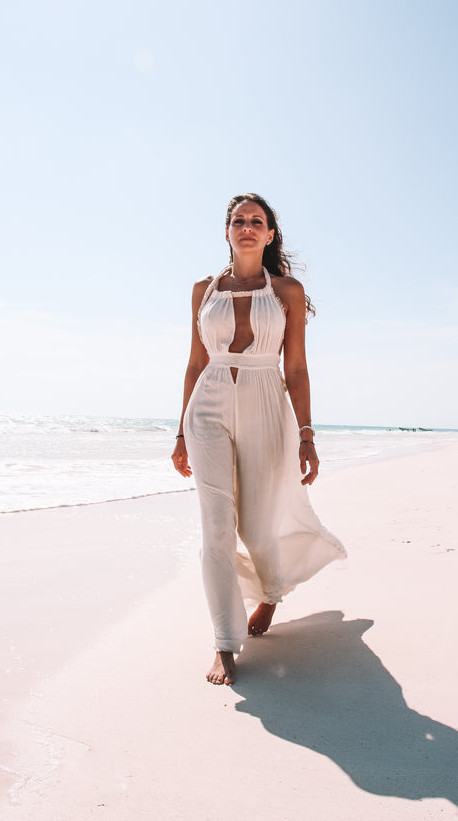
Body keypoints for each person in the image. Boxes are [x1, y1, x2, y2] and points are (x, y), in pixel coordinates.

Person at [171, 193, 346, 686]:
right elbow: (194, 363)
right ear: (227, 231)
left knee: (257, 527)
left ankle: (271, 591)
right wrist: (182, 428)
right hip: (208, 406)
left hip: (268, 403)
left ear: (269, 235)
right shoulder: (203, 290)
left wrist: (307, 435)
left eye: (257, 221)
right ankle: (225, 643)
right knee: (216, 529)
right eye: (238, 220)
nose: (247, 227)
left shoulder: (286, 290)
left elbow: (295, 367)